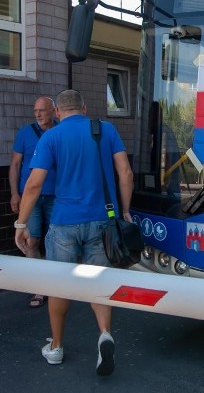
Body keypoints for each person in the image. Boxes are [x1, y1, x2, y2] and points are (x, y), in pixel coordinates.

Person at [14, 89, 134, 377]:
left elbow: (33, 185)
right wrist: (125, 211)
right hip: (102, 220)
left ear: (57, 113)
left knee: (59, 285)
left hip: (65, 223)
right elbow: (125, 173)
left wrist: (21, 224)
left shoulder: (51, 137)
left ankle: (56, 347)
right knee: (99, 282)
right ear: (84, 107)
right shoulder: (105, 129)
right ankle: (104, 335)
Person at [9, 96, 57, 308]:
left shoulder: (60, 132)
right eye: (35, 110)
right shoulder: (25, 133)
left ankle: (57, 286)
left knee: (56, 241)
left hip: (56, 195)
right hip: (31, 197)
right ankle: (39, 288)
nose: (37, 114)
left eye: (42, 110)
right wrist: (14, 193)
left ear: (53, 111)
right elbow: (15, 165)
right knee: (32, 240)